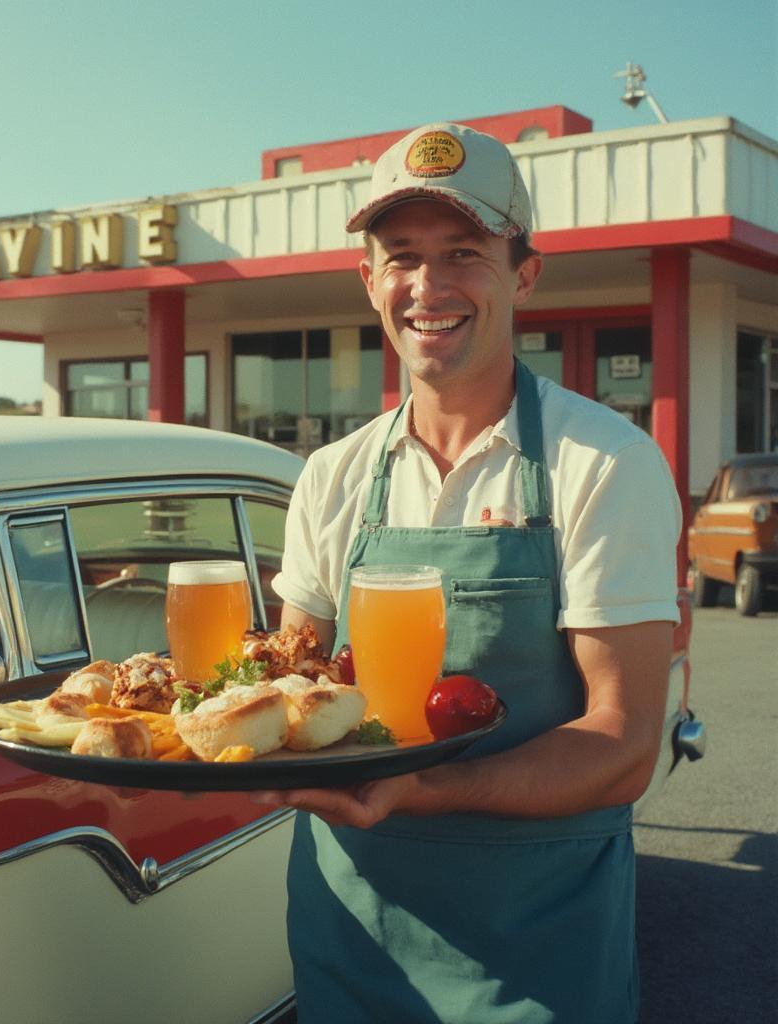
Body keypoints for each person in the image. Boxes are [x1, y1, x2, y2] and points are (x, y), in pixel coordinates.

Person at [258, 122, 682, 1023]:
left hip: (538, 952)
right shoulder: (332, 476)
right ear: (368, 280)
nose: (428, 286)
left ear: (524, 273)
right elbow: (290, 686)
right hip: (352, 935)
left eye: (464, 252)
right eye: (400, 255)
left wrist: (425, 788)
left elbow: (625, 743)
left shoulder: (602, 463)